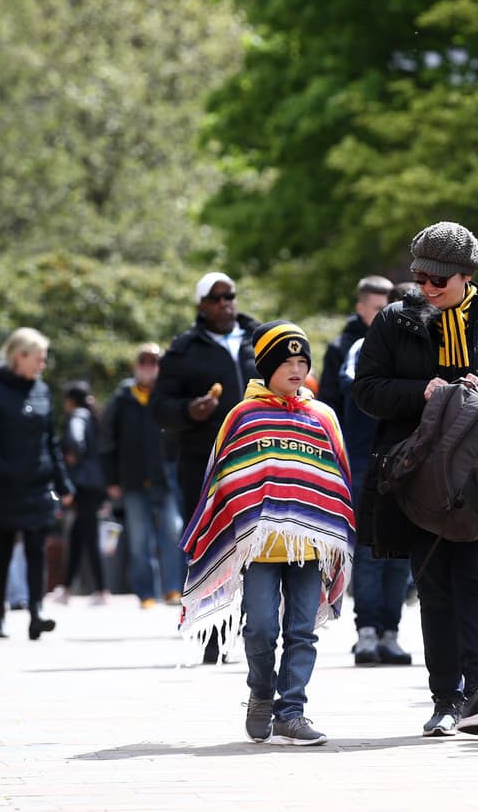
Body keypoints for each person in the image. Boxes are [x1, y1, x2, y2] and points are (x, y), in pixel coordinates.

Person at [353, 221, 478, 737]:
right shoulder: (393, 320)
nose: (427, 286)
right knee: (435, 586)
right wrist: (422, 392)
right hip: (418, 479)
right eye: (420, 276)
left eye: (438, 278)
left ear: (466, 275)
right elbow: (366, 390)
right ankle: (445, 699)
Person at [179, 321, 357, 744]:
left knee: (302, 631)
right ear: (266, 367)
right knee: (260, 628)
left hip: (311, 544)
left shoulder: (323, 416)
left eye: (302, 362)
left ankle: (291, 711)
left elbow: (336, 478)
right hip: (259, 548)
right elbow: (224, 479)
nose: (296, 370)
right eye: (286, 362)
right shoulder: (243, 416)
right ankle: (261, 692)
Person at [152, 271, 262, 662]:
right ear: (201, 304)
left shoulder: (259, 339)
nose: (224, 303)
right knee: (209, 546)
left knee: (254, 543)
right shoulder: (183, 350)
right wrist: (188, 410)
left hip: (255, 456)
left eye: (229, 295)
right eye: (215, 298)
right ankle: (212, 631)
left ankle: (252, 627)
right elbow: (160, 408)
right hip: (203, 461)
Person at [0, 328, 74, 640]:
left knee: (36, 549)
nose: (43, 364)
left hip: (37, 484)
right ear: (19, 356)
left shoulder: (42, 390)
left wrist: (63, 483)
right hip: (2, 486)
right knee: (0, 551)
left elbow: (50, 441)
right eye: (38, 358)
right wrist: (1, 470)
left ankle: (37, 612)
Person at [337, 283, 413, 667]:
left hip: (411, 465)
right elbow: (362, 395)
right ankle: (366, 631)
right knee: (370, 551)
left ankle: (390, 632)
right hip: (367, 463)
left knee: (400, 554)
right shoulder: (361, 348)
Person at [101, 343, 187, 609]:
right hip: (133, 479)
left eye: (154, 361)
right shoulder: (122, 398)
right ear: (136, 366)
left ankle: (173, 589)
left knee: (173, 533)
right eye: (144, 361)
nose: (149, 367)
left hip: (167, 477)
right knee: (139, 540)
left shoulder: (169, 394)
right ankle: (146, 593)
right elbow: (107, 440)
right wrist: (111, 480)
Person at [57, 381, 108, 604]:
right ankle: (67, 588)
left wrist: (72, 455)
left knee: (88, 535)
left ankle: (102, 590)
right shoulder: (95, 416)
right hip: (96, 483)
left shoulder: (78, 415)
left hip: (84, 484)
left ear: (71, 401)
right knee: (78, 536)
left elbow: (76, 440)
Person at [317, 275, 394, 410]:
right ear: (360, 308)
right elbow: (329, 401)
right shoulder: (339, 348)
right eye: (379, 309)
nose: (387, 314)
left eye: (391, 307)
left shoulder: (401, 343)